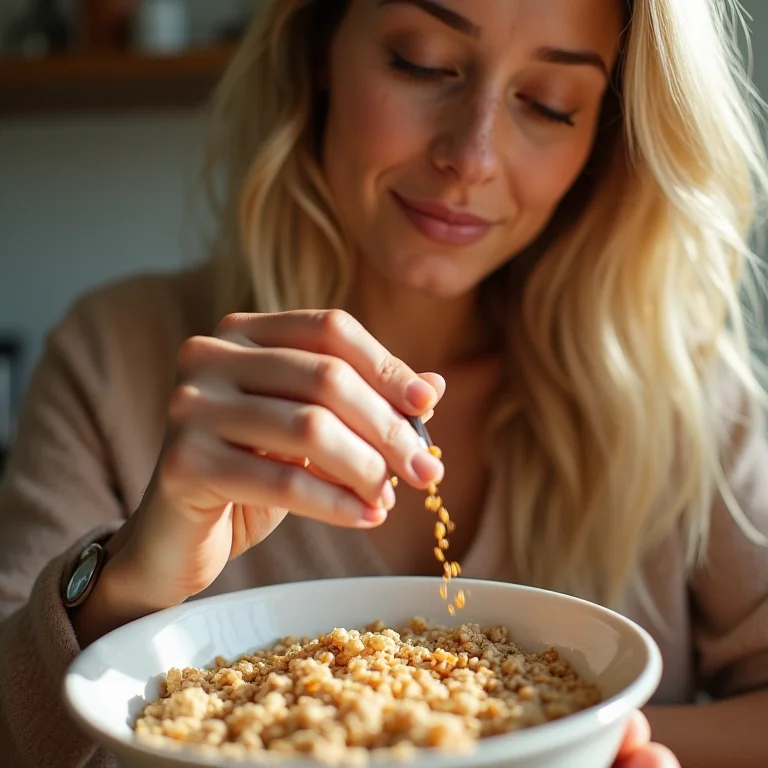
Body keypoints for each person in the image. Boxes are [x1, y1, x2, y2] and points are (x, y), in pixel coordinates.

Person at [1, 0, 767, 765]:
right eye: (422, 62)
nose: (472, 155)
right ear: (317, 49)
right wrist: (125, 586)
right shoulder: (114, 357)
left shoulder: (684, 393)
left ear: (605, 135)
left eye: (548, 104)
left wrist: (573, 739)